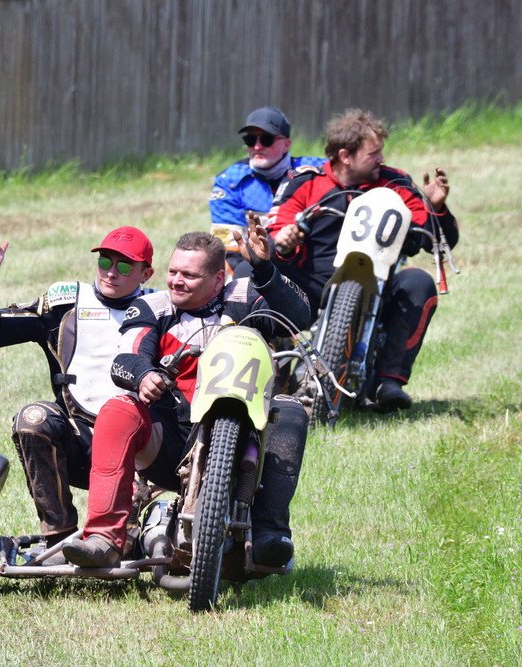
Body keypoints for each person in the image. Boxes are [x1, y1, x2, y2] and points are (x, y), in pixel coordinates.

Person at [62, 223, 312, 570]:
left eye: (189, 276)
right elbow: (125, 358)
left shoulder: (245, 295)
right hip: (173, 437)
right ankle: (104, 538)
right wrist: (143, 375)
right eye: (173, 272)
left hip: (245, 430)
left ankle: (270, 534)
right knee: (119, 408)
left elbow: (299, 318)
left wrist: (265, 269)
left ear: (216, 280)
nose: (176, 281)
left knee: (291, 411)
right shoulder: (153, 306)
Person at [0, 224, 155, 559]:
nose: (112, 272)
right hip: (79, 438)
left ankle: (141, 531)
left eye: (124, 266)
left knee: (129, 548)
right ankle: (59, 537)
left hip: (140, 446)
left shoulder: (162, 308)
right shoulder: (63, 302)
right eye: (105, 261)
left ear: (146, 272)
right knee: (32, 418)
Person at [266, 108, 459, 411]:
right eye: (373, 154)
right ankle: (272, 376)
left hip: (379, 283)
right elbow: (276, 231)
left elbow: (430, 235)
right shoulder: (305, 182)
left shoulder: (395, 182)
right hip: (312, 286)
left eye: (381, 152)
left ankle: (388, 381)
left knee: (419, 283)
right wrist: (285, 240)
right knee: (257, 277)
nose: (381, 160)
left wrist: (435, 208)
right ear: (345, 156)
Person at [209, 106, 325, 276]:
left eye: (266, 139)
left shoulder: (314, 170)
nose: (257, 146)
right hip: (257, 267)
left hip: (311, 262)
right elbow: (229, 250)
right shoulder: (229, 182)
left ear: (287, 144)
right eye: (250, 140)